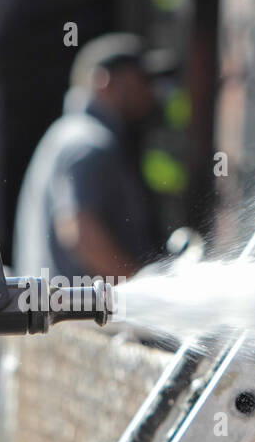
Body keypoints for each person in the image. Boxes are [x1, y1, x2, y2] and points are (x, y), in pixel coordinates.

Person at [14, 32, 173, 282]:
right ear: (104, 81)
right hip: (79, 318)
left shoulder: (68, 135)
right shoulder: (87, 142)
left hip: (65, 314)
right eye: (142, 80)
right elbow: (78, 231)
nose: (151, 91)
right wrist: (137, 288)